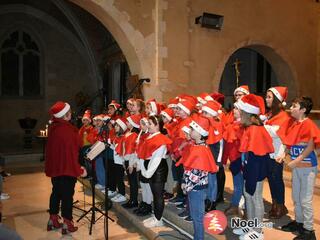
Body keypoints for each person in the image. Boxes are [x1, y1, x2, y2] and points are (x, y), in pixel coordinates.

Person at [233, 94, 274, 240]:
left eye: (241, 112)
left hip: (256, 171)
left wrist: (251, 176)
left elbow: (257, 157)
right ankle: (250, 226)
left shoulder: (256, 130)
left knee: (255, 198)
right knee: (248, 197)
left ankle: (258, 231)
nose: (239, 115)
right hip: (250, 170)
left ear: (250, 115)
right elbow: (246, 153)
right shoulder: (250, 128)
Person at [280, 96, 319, 240]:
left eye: (294, 106)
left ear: (303, 110)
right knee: (296, 196)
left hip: (307, 167)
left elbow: (310, 146)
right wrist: (284, 154)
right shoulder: (294, 124)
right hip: (298, 167)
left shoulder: (308, 124)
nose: (291, 108)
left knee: (305, 199)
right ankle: (300, 222)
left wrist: (297, 160)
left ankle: (309, 230)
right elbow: (290, 143)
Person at [45, 101, 87, 235]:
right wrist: (80, 169)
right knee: (67, 196)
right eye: (69, 112)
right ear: (65, 115)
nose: (72, 113)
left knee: (56, 192)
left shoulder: (54, 128)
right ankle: (67, 223)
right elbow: (71, 154)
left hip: (56, 168)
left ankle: (53, 219)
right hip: (66, 168)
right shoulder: (68, 130)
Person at [176, 114, 218, 240]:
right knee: (196, 216)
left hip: (196, 189)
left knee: (197, 217)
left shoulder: (201, 150)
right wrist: (185, 181)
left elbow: (197, 173)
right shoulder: (198, 147)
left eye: (192, 129)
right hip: (194, 188)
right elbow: (190, 168)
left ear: (199, 133)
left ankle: (199, 238)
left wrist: (186, 185)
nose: (190, 131)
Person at [264, 86, 292, 219]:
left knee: (277, 180)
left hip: (277, 154)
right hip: (268, 152)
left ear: (277, 100)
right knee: (271, 180)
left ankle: (280, 206)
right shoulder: (270, 115)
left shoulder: (284, 116)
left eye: (269, 97)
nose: (266, 99)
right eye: (267, 96)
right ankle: (275, 204)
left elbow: (276, 133)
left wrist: (262, 126)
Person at [139, 115, 172, 228]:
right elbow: (144, 154)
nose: (147, 125)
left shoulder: (160, 139)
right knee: (154, 194)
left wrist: (147, 172)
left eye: (150, 123)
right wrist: (143, 167)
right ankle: (156, 216)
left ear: (157, 125)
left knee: (158, 195)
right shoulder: (150, 137)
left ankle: (158, 219)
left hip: (158, 169)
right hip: (151, 167)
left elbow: (156, 159)